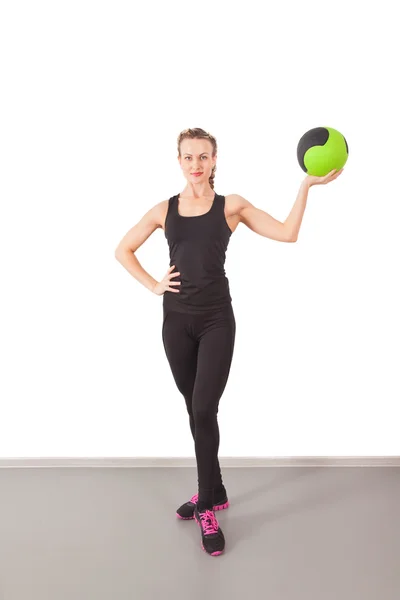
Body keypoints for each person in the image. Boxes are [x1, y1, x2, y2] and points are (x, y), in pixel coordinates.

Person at [115, 127, 343, 557]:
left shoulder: (231, 206)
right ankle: (215, 489)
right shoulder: (164, 210)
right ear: (179, 162)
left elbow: (287, 233)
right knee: (195, 409)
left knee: (204, 408)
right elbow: (122, 250)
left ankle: (206, 506)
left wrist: (306, 186)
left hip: (217, 320)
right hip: (175, 323)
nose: (196, 165)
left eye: (203, 157)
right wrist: (153, 284)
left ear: (215, 160)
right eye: (188, 158)